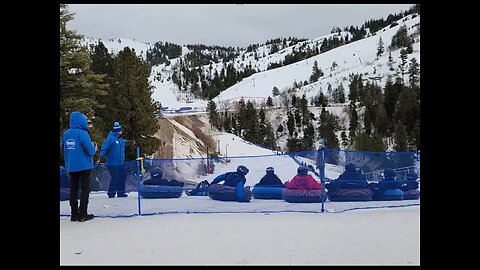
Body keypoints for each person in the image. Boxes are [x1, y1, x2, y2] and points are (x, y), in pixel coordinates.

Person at [61, 111, 97, 222]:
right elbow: (90, 151)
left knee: (73, 189)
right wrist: (94, 147)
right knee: (85, 189)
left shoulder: (66, 134)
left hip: (71, 166)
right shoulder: (83, 133)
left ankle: (74, 214)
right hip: (84, 166)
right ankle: (83, 214)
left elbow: (63, 149)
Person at [100, 121, 134, 198]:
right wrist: (102, 156)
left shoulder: (119, 139)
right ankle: (111, 193)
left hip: (120, 163)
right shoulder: (111, 139)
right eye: (121, 130)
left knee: (122, 177)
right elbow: (104, 148)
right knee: (115, 177)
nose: (122, 131)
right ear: (118, 131)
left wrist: (130, 142)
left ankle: (121, 192)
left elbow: (124, 142)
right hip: (112, 163)